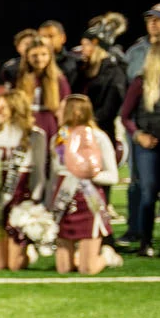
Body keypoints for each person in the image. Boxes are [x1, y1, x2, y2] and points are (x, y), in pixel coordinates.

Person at [0, 90, 47, 270]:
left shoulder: (35, 135)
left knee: (15, 266)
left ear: (16, 108)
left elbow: (39, 172)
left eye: (3, 107)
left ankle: (26, 252)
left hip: (20, 201)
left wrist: (35, 202)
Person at [50, 94, 117, 275]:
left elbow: (113, 176)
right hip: (64, 203)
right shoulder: (58, 138)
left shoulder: (98, 137)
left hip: (89, 203)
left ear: (76, 112)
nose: (57, 112)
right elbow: (55, 174)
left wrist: (88, 175)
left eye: (62, 109)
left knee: (87, 270)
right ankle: (81, 256)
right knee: (64, 269)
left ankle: (107, 256)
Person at [119, 48, 160, 256]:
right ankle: (146, 242)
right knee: (148, 192)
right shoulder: (140, 82)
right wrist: (138, 135)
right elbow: (125, 116)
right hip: (148, 145)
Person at [73, 18, 129, 153]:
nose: (82, 49)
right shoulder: (83, 70)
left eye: (86, 45)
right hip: (81, 128)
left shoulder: (114, 72)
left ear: (96, 46)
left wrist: (90, 122)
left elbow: (110, 107)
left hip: (102, 131)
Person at [15, 37, 68, 149]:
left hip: (51, 126)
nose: (39, 59)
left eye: (44, 54)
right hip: (28, 125)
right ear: (27, 57)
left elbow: (65, 113)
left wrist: (63, 139)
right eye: (34, 55)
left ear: (50, 56)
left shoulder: (59, 80)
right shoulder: (21, 78)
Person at [38, 20, 80, 84]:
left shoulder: (77, 62)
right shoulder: (35, 62)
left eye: (51, 36)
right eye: (43, 36)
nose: (46, 40)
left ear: (63, 38)